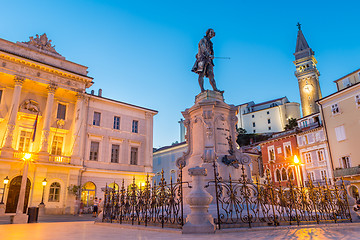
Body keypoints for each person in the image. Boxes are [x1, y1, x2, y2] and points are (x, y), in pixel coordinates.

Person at [192, 28, 221, 93]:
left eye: (213, 33)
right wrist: (208, 55)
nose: (212, 34)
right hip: (202, 59)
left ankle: (215, 89)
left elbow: (211, 51)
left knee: (211, 74)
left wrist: (212, 55)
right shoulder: (203, 40)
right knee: (201, 74)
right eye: (211, 32)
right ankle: (202, 89)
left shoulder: (211, 43)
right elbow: (203, 48)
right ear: (207, 33)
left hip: (209, 60)